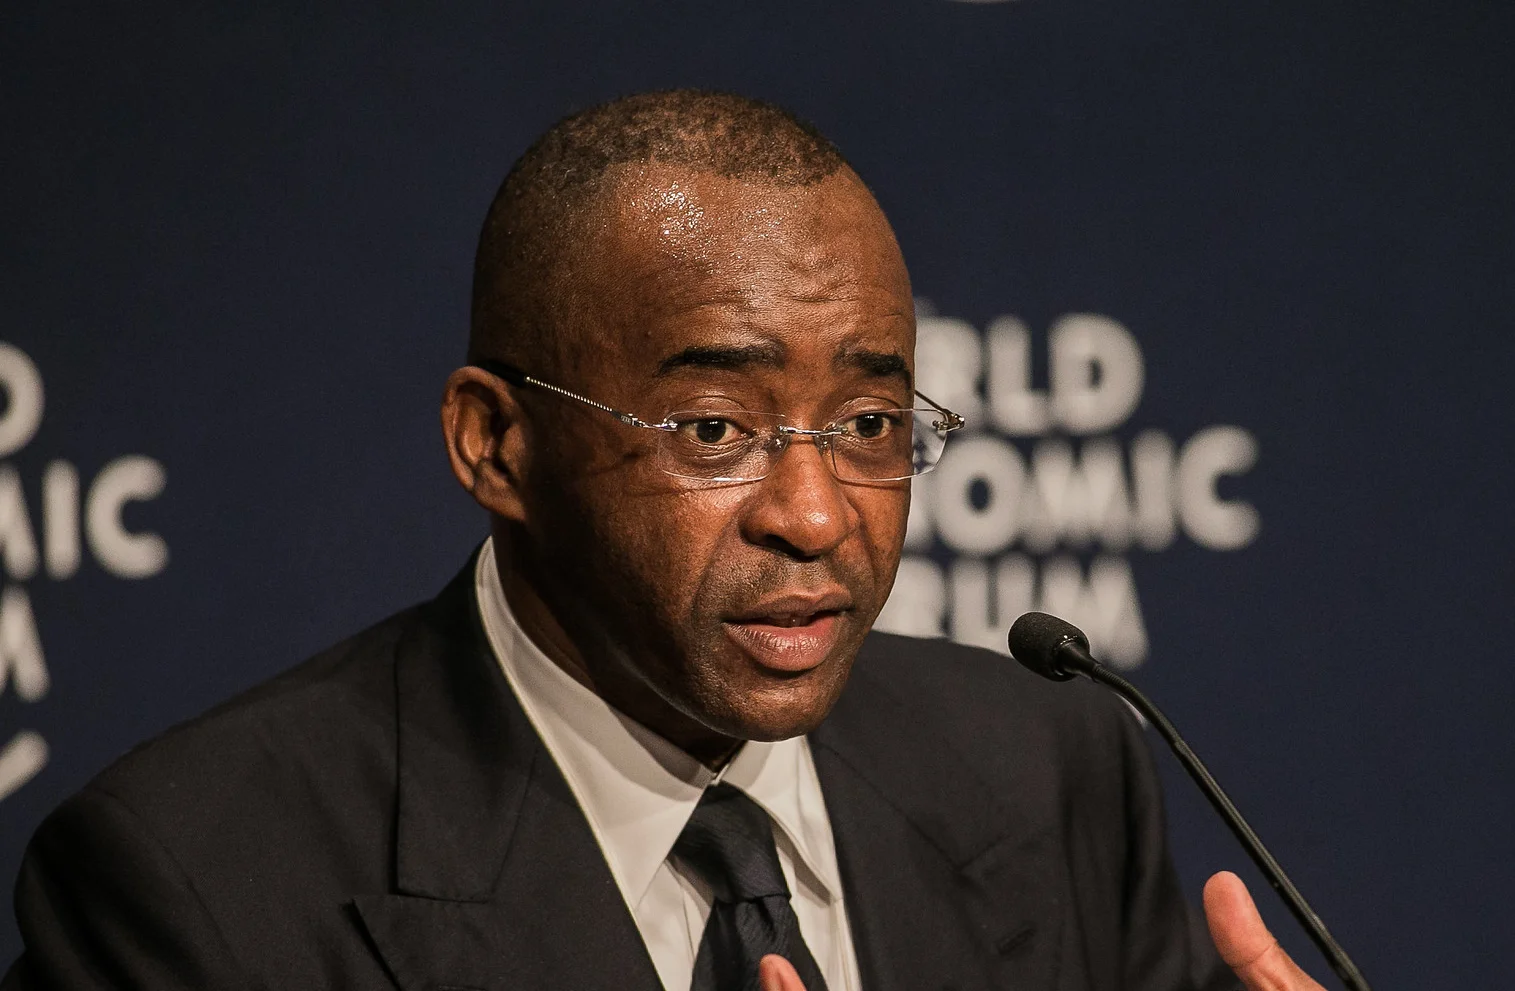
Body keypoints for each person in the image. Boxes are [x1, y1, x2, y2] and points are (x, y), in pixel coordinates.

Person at [2, 90, 1326, 991]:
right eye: (711, 429)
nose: (816, 514)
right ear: (496, 445)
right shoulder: (191, 888)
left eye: (869, 422)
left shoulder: (1044, 766)